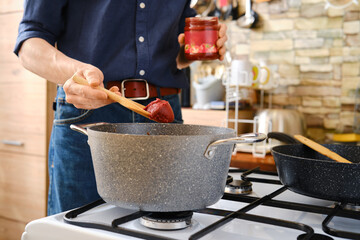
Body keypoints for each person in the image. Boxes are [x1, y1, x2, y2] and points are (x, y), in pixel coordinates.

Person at [14, 0, 228, 215]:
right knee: (77, 228)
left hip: (164, 115)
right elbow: (29, 44)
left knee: (166, 223)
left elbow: (176, 55)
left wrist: (200, 47)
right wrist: (79, 72)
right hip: (88, 112)